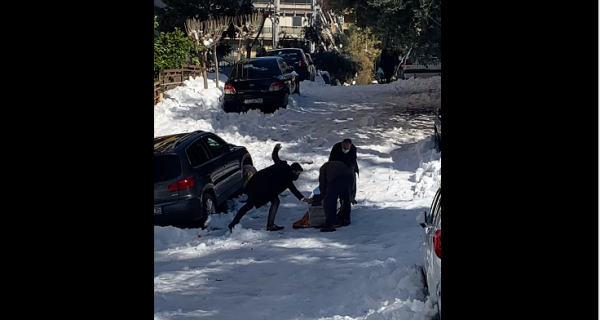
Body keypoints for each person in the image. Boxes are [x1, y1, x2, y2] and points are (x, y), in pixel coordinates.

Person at [228, 143, 311, 232]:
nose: (298, 176)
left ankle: (269, 225)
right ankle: (235, 223)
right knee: (250, 205)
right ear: (293, 171)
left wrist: (276, 149)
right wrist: (302, 198)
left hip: (258, 183)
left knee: (271, 202)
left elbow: (275, 157)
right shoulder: (287, 177)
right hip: (259, 188)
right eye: (298, 173)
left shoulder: (283, 166)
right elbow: (293, 189)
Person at [318, 161, 354, 232]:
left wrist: (323, 197)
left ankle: (329, 225)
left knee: (330, 200)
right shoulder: (331, 166)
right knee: (345, 198)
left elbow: (322, 184)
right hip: (349, 176)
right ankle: (345, 219)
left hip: (336, 177)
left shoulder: (323, 169)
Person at [329, 138, 359, 205]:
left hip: (348, 165)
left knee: (352, 178)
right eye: (344, 147)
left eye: (347, 148)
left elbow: (353, 161)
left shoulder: (353, 149)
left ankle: (351, 196)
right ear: (342, 144)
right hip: (337, 165)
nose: (345, 149)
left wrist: (349, 171)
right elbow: (331, 160)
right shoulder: (336, 147)